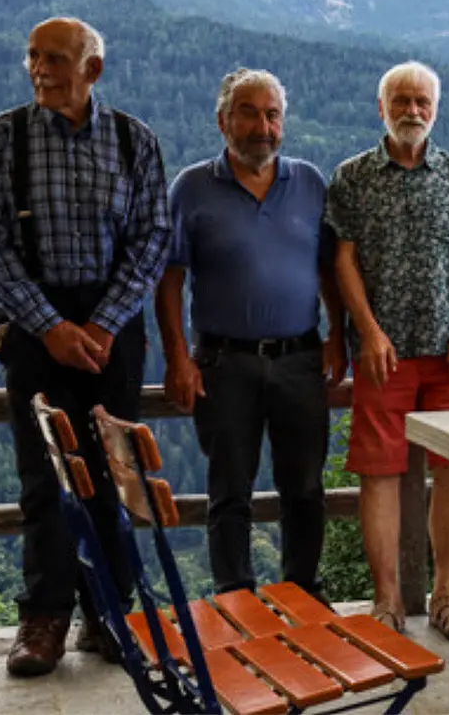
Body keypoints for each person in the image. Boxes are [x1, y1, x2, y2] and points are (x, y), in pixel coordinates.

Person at [0, 17, 169, 676]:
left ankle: (111, 617)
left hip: (112, 329)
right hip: (36, 327)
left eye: (55, 58)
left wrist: (103, 324)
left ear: (93, 69)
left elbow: (151, 241)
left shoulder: (132, 139)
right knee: (43, 475)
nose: (39, 69)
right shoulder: (3, 137)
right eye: (32, 56)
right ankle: (45, 619)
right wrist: (51, 327)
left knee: (114, 469)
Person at [156, 69, 344, 600]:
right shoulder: (191, 188)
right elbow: (169, 280)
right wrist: (177, 356)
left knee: (305, 487)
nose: (262, 125)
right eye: (249, 112)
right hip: (222, 362)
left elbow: (330, 269)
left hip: (299, 358)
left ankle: (302, 592)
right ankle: (236, 597)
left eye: (272, 114)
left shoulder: (308, 182)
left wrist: (337, 337)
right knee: (230, 489)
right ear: (223, 121)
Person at [326, 61, 449, 640]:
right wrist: (366, 332)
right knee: (381, 474)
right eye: (401, 100)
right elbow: (342, 259)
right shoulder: (352, 177)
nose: (412, 110)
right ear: (381, 107)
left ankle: (446, 596)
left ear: (436, 108)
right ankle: (388, 602)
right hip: (384, 353)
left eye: (422, 101)